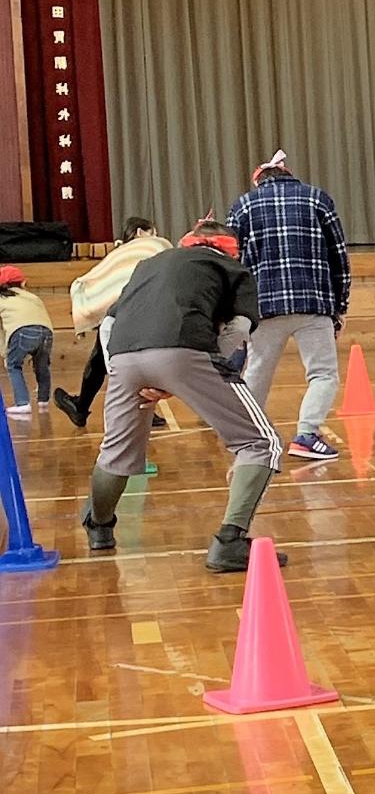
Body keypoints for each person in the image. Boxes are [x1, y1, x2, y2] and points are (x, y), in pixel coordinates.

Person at [79, 220, 286, 572]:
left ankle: (99, 528)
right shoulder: (232, 268)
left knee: (115, 451)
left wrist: (120, 368)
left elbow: (110, 323)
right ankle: (230, 542)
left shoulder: (148, 266)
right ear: (229, 248)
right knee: (261, 443)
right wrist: (195, 367)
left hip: (124, 355)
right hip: (185, 348)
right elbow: (239, 326)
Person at [229, 150, 350, 462]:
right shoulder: (318, 199)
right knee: (323, 374)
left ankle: (247, 436)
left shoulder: (243, 206)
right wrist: (340, 305)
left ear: (259, 182)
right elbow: (339, 257)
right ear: (289, 175)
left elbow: (230, 261)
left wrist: (234, 310)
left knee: (256, 373)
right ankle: (307, 435)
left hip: (263, 307)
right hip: (313, 304)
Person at [54, 217, 171, 429]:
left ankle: (81, 407)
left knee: (102, 359)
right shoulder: (146, 248)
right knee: (119, 359)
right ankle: (137, 408)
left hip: (113, 312)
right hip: (136, 309)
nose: (155, 237)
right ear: (139, 233)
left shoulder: (117, 255)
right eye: (151, 232)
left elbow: (101, 279)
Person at [0, 265, 54, 416]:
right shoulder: (33, 297)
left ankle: (22, 403)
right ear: (22, 283)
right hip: (47, 331)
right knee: (42, 366)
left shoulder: (2, 299)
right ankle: (43, 401)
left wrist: (5, 354)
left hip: (21, 331)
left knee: (13, 366)